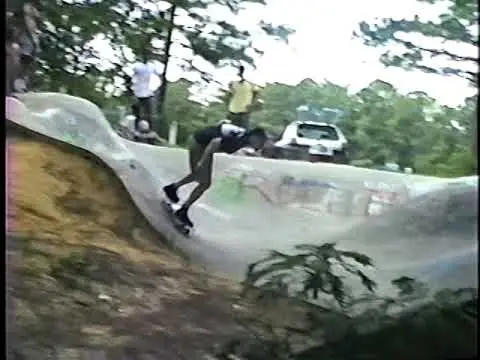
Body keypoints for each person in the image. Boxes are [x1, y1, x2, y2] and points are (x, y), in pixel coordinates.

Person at [163, 123, 268, 227]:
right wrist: (202, 162)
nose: (260, 145)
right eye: (260, 142)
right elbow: (214, 143)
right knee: (204, 181)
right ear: (255, 137)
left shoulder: (243, 138)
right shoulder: (240, 138)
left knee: (200, 177)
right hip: (199, 143)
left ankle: (173, 190)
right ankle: (182, 208)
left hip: (204, 145)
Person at [130, 52, 162, 129]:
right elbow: (134, 75)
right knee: (141, 112)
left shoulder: (148, 67)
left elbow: (158, 75)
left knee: (148, 114)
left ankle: (148, 128)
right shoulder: (140, 66)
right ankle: (139, 127)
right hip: (141, 93)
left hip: (145, 93)